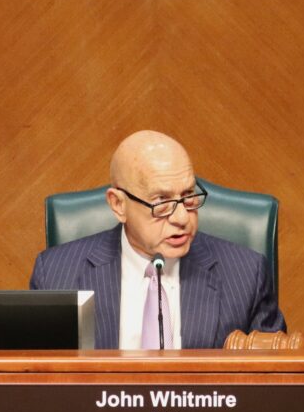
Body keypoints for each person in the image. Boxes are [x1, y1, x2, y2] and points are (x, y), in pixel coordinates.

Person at [30, 130, 285, 349]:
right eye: (161, 202)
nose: (182, 218)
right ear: (118, 204)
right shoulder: (56, 276)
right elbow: (37, 380)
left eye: (189, 196)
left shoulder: (246, 275)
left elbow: (276, 379)